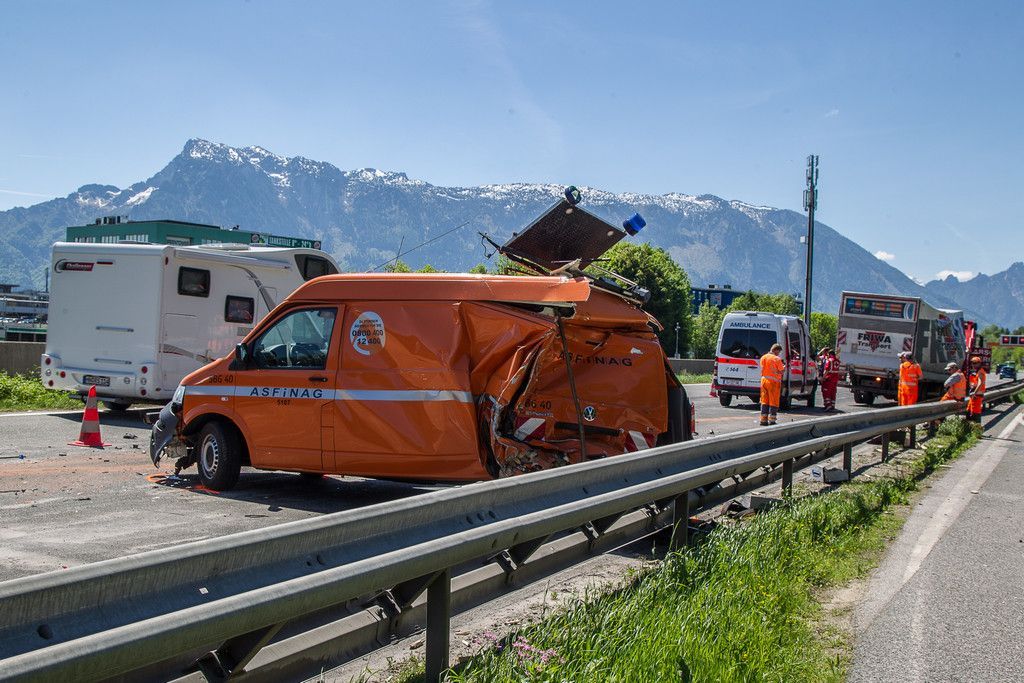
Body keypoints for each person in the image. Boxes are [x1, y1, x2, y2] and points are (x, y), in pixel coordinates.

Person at [759, 343, 786, 426]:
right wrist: (784, 367)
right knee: (773, 401)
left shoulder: (763, 357)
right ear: (776, 350)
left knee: (764, 400)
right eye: (779, 352)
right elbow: (781, 371)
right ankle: (772, 420)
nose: (779, 353)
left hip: (764, 381)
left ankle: (763, 420)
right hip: (773, 382)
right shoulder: (777, 359)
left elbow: (763, 368)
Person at [966, 355, 987, 423]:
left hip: (977, 396)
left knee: (975, 413)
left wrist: (974, 393)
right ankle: (970, 427)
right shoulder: (978, 371)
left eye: (975, 363)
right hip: (975, 396)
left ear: (979, 363)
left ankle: (977, 428)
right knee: (969, 412)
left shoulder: (980, 372)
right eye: (972, 363)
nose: (973, 365)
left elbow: (980, 383)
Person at [820, 348, 841, 412]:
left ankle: (828, 405)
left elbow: (826, 370)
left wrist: (823, 378)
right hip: (835, 379)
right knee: (833, 392)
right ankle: (832, 405)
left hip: (829, 379)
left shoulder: (829, 360)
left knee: (826, 392)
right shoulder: (838, 361)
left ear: (830, 354)